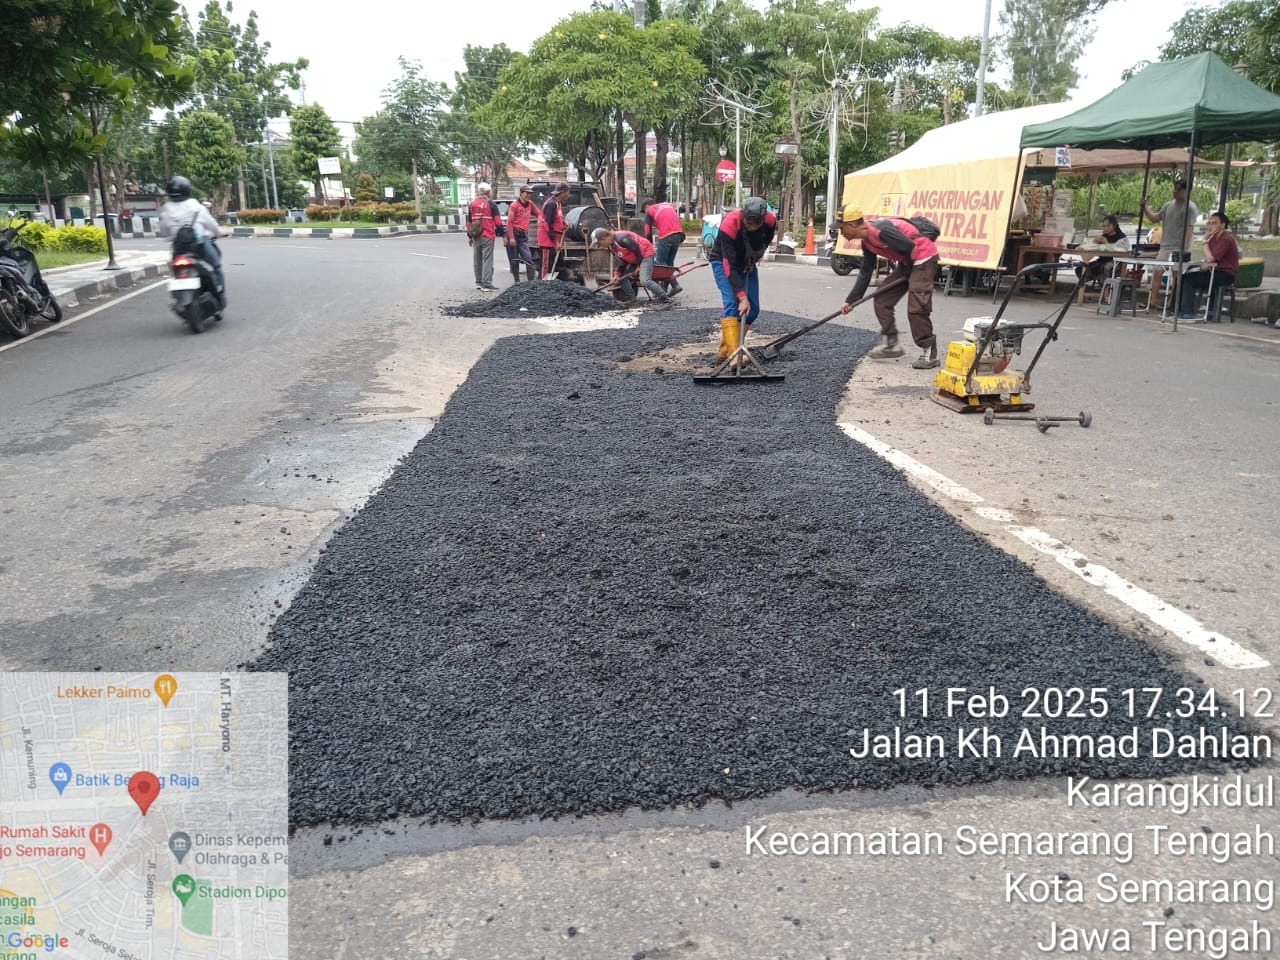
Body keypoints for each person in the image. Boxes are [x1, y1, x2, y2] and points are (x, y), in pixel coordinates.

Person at [837, 205, 940, 369]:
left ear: (850, 226)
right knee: (882, 298)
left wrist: (908, 273)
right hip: (908, 262)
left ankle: (929, 352)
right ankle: (892, 344)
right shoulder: (867, 243)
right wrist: (851, 301)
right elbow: (865, 272)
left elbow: (910, 248)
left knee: (917, 307)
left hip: (923, 258)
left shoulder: (881, 230)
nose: (841, 233)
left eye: (841, 228)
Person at [709, 196, 776, 361]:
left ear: (762, 220)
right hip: (723, 261)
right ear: (743, 215)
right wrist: (741, 296)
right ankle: (735, 355)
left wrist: (752, 260)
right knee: (732, 303)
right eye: (747, 222)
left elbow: (764, 243)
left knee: (752, 309)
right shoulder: (729, 224)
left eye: (755, 224)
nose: (751, 226)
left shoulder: (770, 221)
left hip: (747, 262)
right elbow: (729, 265)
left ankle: (725, 351)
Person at [158, 175, 226, 303]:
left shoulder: (166, 210)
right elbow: (212, 225)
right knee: (216, 266)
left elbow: (164, 231)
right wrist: (219, 233)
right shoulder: (197, 207)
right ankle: (219, 292)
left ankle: (178, 297)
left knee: (175, 270)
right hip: (199, 246)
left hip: (178, 249)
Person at [1141, 179, 1199, 307]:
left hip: (1179, 246)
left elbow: (1189, 229)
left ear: (1185, 191)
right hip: (1165, 245)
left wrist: (1184, 248)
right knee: (1157, 272)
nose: (1174, 191)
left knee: (1176, 276)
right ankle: (1153, 300)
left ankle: (1171, 303)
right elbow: (1154, 218)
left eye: (1178, 189)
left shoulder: (1190, 208)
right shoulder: (1168, 205)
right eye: (1175, 188)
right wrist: (1145, 207)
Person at [1178, 210, 1237, 320]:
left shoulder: (1226, 239)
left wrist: (1205, 241)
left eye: (1214, 223)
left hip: (1225, 274)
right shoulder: (1213, 238)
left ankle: (1188, 312)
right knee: (1184, 276)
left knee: (1190, 280)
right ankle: (1177, 309)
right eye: (1209, 223)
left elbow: (1210, 258)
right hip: (1213, 270)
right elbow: (1208, 259)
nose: (1210, 226)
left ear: (1223, 225)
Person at [591, 226, 669, 303]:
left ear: (604, 238)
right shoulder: (611, 247)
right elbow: (621, 262)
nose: (599, 246)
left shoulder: (621, 239)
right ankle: (632, 298)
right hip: (635, 258)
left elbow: (637, 248)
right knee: (621, 278)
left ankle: (664, 298)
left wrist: (639, 266)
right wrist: (617, 274)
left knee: (645, 280)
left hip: (645, 254)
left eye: (599, 244)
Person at [640, 197, 685, 295]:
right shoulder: (668, 205)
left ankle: (672, 286)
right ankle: (665, 289)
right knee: (669, 263)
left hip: (666, 235)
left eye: (644, 211)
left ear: (646, 206)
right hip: (678, 235)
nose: (645, 213)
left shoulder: (650, 210)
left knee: (660, 265)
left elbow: (647, 231)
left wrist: (649, 246)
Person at [466, 182, 502, 291]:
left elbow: (469, 222)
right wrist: (504, 234)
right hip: (488, 235)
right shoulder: (491, 204)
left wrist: (470, 236)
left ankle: (479, 282)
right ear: (488, 192)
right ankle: (486, 284)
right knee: (487, 260)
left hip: (476, 235)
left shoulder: (472, 204)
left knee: (477, 259)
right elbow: (498, 221)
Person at [1075, 214, 1129, 286]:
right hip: (1101, 261)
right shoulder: (1104, 236)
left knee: (1106, 267)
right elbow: (1095, 248)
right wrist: (1094, 242)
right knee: (1079, 269)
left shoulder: (1121, 237)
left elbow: (1120, 250)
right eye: (1104, 226)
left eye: (1108, 226)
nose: (1105, 228)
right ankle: (1083, 288)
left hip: (1115, 262)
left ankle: (1105, 289)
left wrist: (1106, 243)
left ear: (1114, 225)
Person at [538, 182, 570, 279]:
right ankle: (544, 285)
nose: (568, 195)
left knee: (560, 268)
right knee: (547, 269)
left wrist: (563, 223)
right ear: (562, 192)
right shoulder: (551, 204)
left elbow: (556, 219)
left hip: (555, 241)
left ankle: (558, 285)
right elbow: (547, 224)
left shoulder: (558, 203)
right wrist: (555, 242)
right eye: (567, 192)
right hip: (548, 242)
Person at [505, 185, 537, 283]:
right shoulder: (514, 205)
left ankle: (530, 283)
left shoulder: (530, 204)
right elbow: (509, 223)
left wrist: (541, 220)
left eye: (530, 194)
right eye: (527, 193)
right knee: (514, 259)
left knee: (528, 259)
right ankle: (517, 282)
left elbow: (539, 213)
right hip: (514, 233)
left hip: (523, 235)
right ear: (521, 193)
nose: (529, 195)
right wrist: (511, 238)